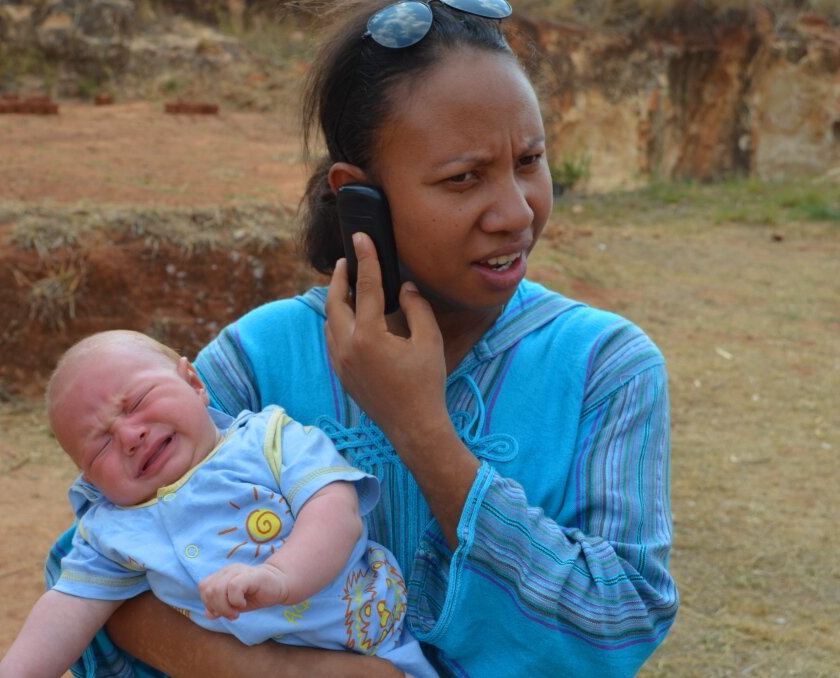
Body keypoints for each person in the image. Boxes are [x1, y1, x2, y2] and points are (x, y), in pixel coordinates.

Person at [46, 0, 679, 675]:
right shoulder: (260, 359)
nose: (516, 211)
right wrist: (292, 673)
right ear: (360, 198)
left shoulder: (607, 368)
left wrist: (423, 431)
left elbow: (622, 620)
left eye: (529, 160)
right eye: (464, 177)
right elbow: (89, 572)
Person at [0, 330, 437, 678]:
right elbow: (63, 611)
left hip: (379, 653)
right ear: (89, 479)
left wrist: (278, 576)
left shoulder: (268, 441)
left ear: (193, 382)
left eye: (137, 403)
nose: (130, 437)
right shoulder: (113, 529)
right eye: (99, 446)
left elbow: (335, 510)